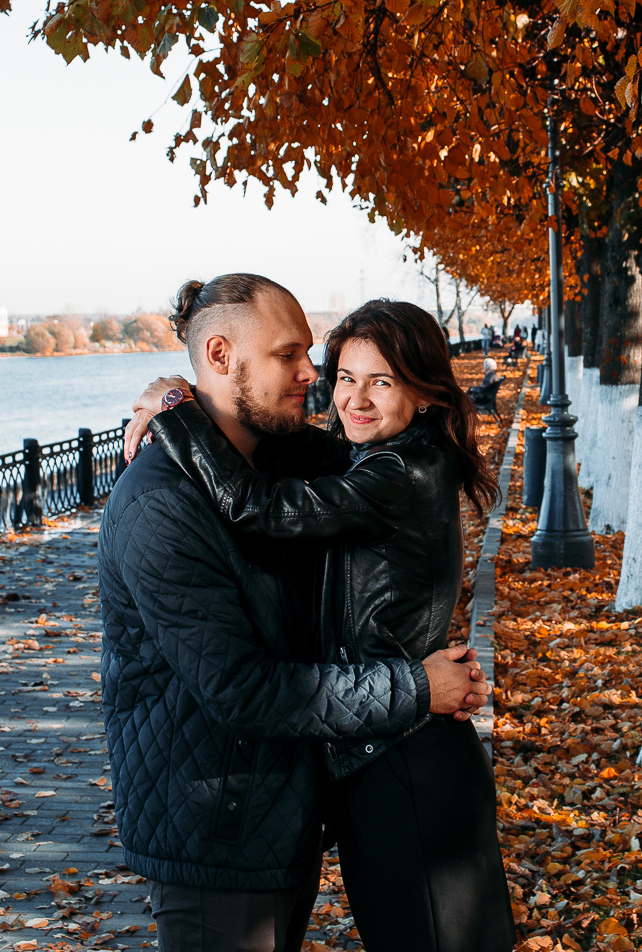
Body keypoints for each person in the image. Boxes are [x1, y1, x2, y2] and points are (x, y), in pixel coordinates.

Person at [100, 274, 491, 952]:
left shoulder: (301, 460)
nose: (315, 378)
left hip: (280, 817)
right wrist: (417, 686)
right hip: (215, 832)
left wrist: (175, 403)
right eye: (293, 357)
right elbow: (243, 688)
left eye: (315, 356)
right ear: (220, 356)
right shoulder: (162, 504)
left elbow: (300, 488)